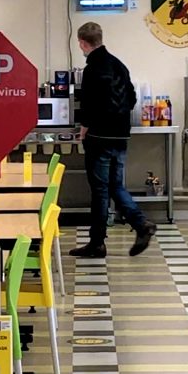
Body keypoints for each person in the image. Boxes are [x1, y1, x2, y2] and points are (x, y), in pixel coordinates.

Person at [69, 22, 156, 258]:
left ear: (82, 43)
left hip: (99, 136)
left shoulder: (91, 69)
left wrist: (85, 128)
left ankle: (98, 243)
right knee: (115, 185)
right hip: (120, 135)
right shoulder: (119, 65)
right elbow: (131, 97)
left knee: (99, 190)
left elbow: (87, 103)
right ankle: (140, 225)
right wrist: (119, 118)